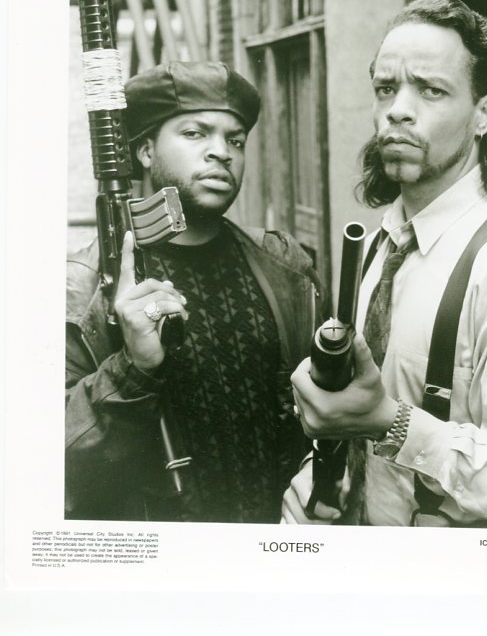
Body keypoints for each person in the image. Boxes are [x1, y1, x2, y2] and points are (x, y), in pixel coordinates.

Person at [283, 0, 487, 528]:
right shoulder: (381, 243)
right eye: (386, 88)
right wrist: (317, 480)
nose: (398, 109)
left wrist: (391, 424)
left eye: (431, 90)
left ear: (483, 114)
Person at [66, 61, 323, 523]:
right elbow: (51, 461)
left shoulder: (285, 267)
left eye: (235, 140)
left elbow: (330, 412)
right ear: (146, 151)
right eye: (195, 133)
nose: (221, 152)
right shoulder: (82, 286)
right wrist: (132, 369)